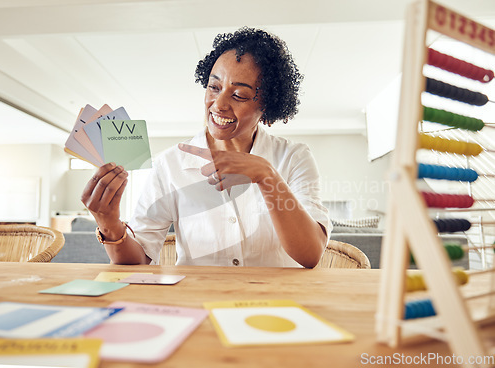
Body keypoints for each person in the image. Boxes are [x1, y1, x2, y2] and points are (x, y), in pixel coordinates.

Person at [81, 27, 331, 268]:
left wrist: (267, 176)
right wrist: (109, 224)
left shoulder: (294, 157)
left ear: (267, 105)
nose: (218, 104)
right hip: (198, 301)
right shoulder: (170, 164)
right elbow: (139, 259)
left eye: (239, 95)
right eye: (214, 87)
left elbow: (311, 255)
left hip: (275, 304)